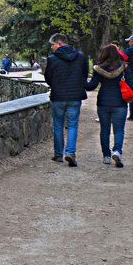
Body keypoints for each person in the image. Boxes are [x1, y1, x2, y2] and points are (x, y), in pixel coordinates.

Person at [86, 43, 133, 168]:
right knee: (119, 129)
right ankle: (117, 151)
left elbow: (91, 86)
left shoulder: (98, 68)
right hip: (120, 103)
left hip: (103, 102)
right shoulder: (124, 67)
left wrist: (80, 80)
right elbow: (132, 85)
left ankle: (106, 156)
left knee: (104, 130)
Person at [43, 33, 89, 167]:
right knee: (73, 125)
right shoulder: (80, 56)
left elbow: (48, 78)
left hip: (58, 96)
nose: (51, 47)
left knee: (58, 125)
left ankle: (58, 154)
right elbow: (84, 75)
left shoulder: (52, 59)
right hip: (75, 96)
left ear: (59, 43)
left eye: (52, 44)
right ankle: (70, 152)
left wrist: (56, 85)